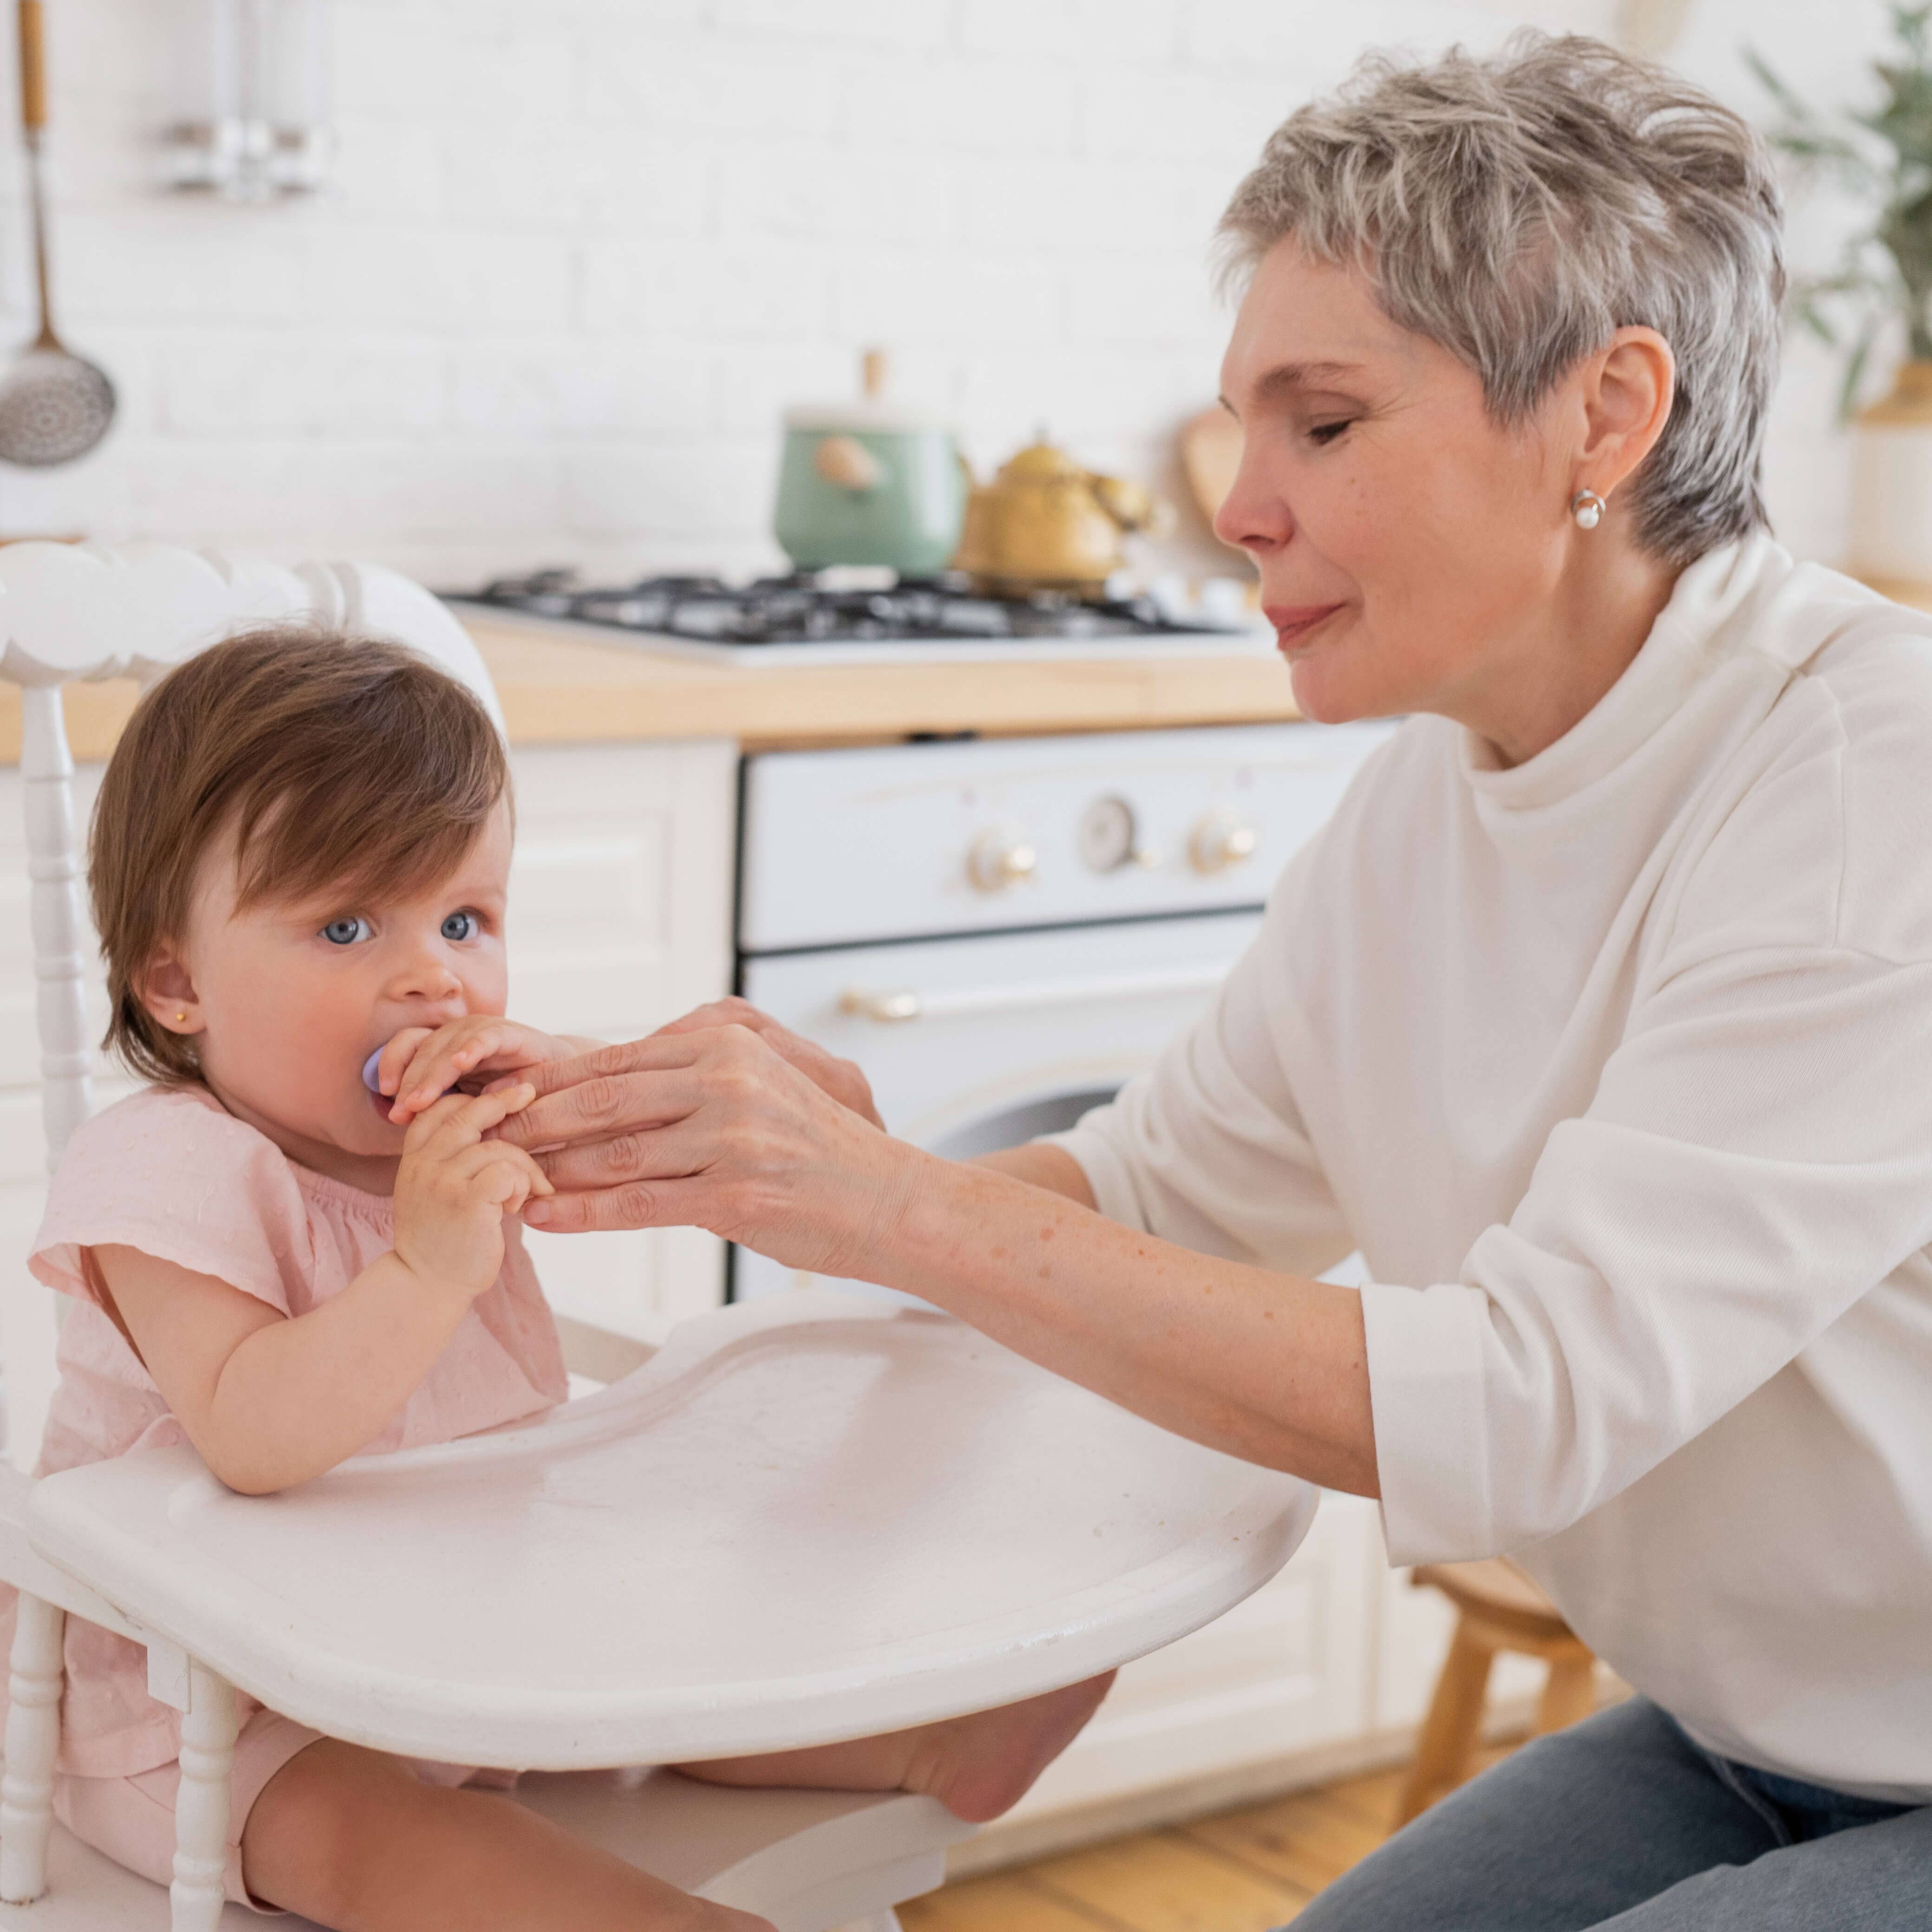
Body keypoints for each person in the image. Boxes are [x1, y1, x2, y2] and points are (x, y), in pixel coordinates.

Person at [497, 33, 1932, 1929]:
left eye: (1320, 424)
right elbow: (1162, 1194)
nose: (1239, 503)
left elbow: (1520, 1401)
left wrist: (897, 1205)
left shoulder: (1857, 779)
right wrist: (766, 1180)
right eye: (1245, 424)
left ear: (1603, 418)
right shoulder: (1428, 797)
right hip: (1746, 1727)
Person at [8, 629, 1108, 1929]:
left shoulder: (466, 1130)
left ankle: (926, 1739)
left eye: (465, 920)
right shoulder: (164, 1167)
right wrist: (425, 1266)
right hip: (227, 1705)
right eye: (348, 925)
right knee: (384, 1837)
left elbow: (676, 1147)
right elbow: (250, 1435)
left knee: (686, 1675)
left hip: (469, 1630)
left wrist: (639, 1090)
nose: (433, 975)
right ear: (177, 981)